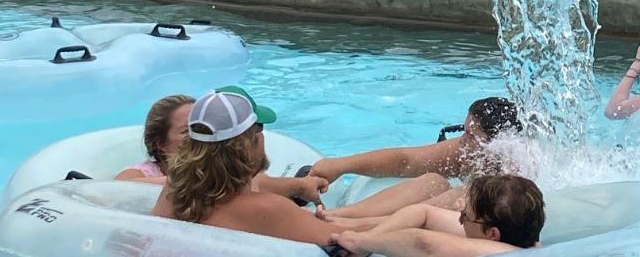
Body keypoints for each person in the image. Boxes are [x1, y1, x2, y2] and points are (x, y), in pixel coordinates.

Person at [150, 88, 350, 248]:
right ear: (249, 143)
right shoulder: (265, 209)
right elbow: (350, 242)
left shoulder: (174, 192)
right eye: (260, 128)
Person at [310, 97, 522, 217]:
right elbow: (406, 161)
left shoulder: (518, 175)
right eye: (464, 130)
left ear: (499, 145)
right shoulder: (467, 151)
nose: (462, 141)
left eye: (471, 136)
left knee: (469, 192)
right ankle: (344, 215)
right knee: (433, 182)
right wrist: (341, 165)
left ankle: (348, 223)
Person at [115, 91, 329, 206]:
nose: (199, 137)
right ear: (160, 144)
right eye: (187, 131)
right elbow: (113, 191)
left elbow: (259, 183)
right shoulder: (141, 173)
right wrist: (201, 176)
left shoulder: (225, 170)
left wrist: (300, 186)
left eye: (201, 128)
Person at [331, 174, 545, 257]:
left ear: (492, 234)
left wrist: (360, 241)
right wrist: (363, 246)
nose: (460, 219)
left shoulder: (506, 253)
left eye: (464, 217)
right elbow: (423, 213)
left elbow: (423, 243)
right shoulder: (515, 235)